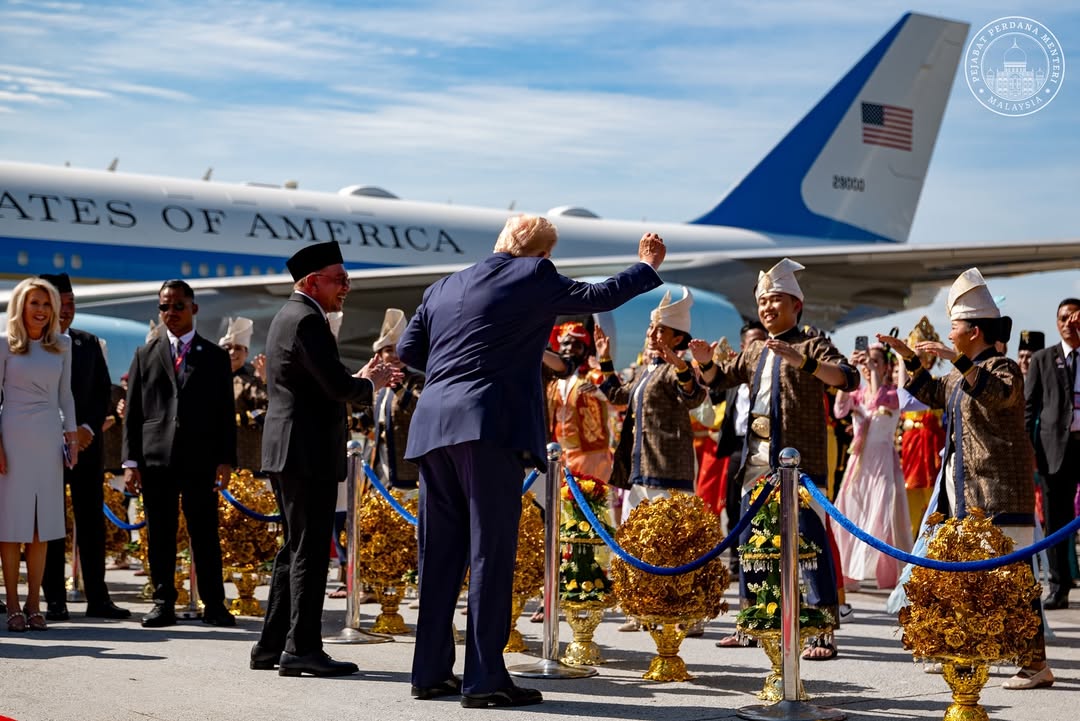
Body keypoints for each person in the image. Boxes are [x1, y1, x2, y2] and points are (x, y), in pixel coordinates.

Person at [398, 215, 665, 708]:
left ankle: (430, 673)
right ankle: (483, 680)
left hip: (432, 426)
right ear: (542, 256)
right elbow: (598, 298)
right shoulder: (533, 276)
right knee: (488, 554)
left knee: (438, 556)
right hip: (486, 426)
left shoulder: (442, 287)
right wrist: (645, 266)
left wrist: (456, 364)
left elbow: (408, 349)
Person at [880, 267, 1053, 689]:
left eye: (954, 325)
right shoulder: (960, 372)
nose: (949, 331)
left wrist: (951, 357)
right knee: (964, 579)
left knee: (1014, 581)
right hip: (962, 492)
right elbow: (932, 393)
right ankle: (970, 649)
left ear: (973, 331)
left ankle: (1035, 665)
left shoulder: (1004, 367)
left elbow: (996, 393)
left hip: (998, 493)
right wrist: (907, 358)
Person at [252, 240, 398, 678]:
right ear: (312, 282)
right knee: (310, 553)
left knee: (294, 549)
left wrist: (357, 380)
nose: (347, 287)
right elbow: (336, 387)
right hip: (305, 451)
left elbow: (317, 383)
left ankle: (271, 646)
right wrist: (369, 381)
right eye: (339, 279)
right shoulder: (306, 320)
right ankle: (302, 649)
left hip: (293, 449)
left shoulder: (293, 316)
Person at [702, 259, 859, 660]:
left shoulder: (812, 343)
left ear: (796, 304)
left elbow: (848, 378)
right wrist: (702, 362)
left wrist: (801, 361)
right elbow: (720, 378)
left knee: (809, 544)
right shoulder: (755, 348)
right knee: (752, 545)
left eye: (775, 300)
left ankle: (822, 631)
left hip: (798, 466)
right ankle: (754, 621)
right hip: (755, 462)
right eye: (763, 301)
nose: (768, 308)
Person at [122, 280, 237, 629]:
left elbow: (224, 413)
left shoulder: (215, 356)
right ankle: (162, 601)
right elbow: (134, 414)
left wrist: (226, 458)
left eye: (177, 306)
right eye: (164, 307)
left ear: (194, 309)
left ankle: (214, 603)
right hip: (156, 460)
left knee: (204, 533)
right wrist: (130, 462)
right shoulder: (147, 353)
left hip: (200, 459)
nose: (170, 313)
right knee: (160, 534)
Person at [38, 273, 131, 621]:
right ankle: (55, 600)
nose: (67, 311)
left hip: (88, 446)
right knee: (50, 523)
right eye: (60, 303)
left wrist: (86, 428)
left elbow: (101, 393)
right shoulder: (33, 343)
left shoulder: (88, 343)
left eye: (72, 304)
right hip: (45, 446)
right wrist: (60, 430)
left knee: (91, 522)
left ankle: (98, 597)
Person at [0, 276, 79, 632]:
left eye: (47, 304)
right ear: (21, 306)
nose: (42, 311)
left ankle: (35, 602)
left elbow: (66, 396)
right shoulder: (4, 345)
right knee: (11, 527)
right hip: (12, 437)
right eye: (35, 303)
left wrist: (72, 436)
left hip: (48, 439)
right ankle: (13, 604)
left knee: (40, 528)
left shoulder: (62, 344)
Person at [832, 343, 911, 589]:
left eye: (875, 362)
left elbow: (878, 398)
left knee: (881, 516)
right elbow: (839, 410)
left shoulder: (893, 394)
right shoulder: (857, 394)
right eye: (868, 362)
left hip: (882, 463)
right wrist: (850, 369)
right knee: (850, 513)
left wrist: (880, 367)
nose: (869, 367)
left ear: (886, 366)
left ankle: (885, 574)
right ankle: (849, 572)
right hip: (858, 463)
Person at [1024, 299, 1080, 610]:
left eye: (1074, 318)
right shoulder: (1043, 360)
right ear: (1056, 322)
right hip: (1055, 450)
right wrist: (1028, 447)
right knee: (1057, 521)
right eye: (1063, 319)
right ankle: (1059, 587)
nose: (1069, 324)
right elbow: (1028, 407)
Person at [896, 317, 947, 540]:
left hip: (929, 446)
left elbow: (905, 402)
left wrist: (900, 361)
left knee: (931, 501)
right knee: (909, 502)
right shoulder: (912, 384)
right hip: (911, 446)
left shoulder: (932, 383)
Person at [546, 321, 613, 481]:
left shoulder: (594, 376)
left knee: (592, 503)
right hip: (561, 454)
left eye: (577, 344)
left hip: (591, 455)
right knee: (561, 503)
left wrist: (601, 393)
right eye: (566, 343)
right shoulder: (553, 383)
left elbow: (620, 402)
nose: (570, 348)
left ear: (584, 351)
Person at [219, 316, 268, 471]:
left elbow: (267, 412)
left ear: (246, 353)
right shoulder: (213, 381)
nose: (233, 352)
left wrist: (240, 419)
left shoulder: (250, 382)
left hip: (246, 458)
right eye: (228, 348)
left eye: (238, 348)